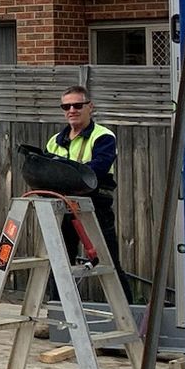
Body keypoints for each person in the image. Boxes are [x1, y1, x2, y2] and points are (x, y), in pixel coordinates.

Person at [46, 85, 120, 267]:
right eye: (66, 107)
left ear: (90, 107)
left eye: (78, 106)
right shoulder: (54, 141)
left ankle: (124, 297)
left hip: (95, 207)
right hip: (62, 207)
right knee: (60, 264)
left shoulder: (103, 137)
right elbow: (45, 173)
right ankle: (58, 297)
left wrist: (62, 174)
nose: (72, 110)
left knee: (110, 263)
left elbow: (96, 170)